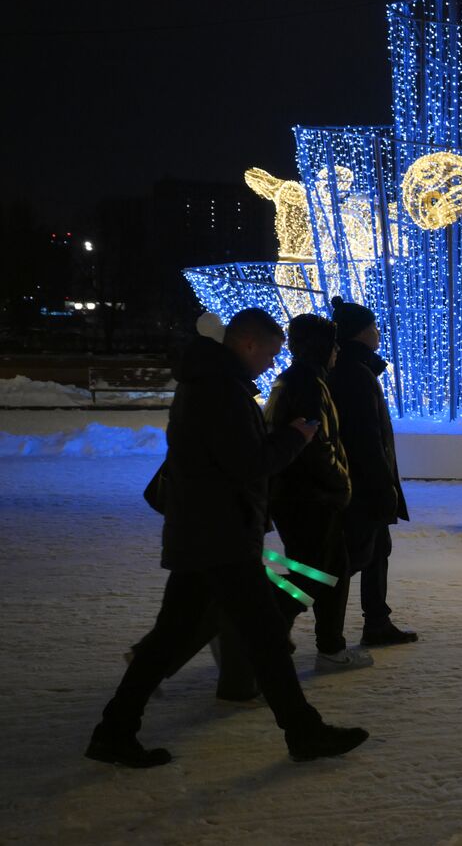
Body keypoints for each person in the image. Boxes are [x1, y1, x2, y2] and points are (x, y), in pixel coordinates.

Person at [86, 308, 369, 768]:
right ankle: (303, 732)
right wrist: (296, 437)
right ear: (248, 344)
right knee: (265, 638)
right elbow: (248, 463)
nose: (271, 364)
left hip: (206, 533)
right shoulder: (220, 390)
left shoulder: (210, 382)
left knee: (172, 638)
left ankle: (114, 730)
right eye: (271, 353)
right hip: (221, 535)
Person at [265, 314, 372, 671]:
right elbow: (317, 444)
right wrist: (340, 483)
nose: (338, 351)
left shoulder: (295, 379)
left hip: (298, 496)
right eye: (334, 344)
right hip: (309, 498)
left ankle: (329, 645)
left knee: (331, 569)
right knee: (314, 573)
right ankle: (261, 630)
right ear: (322, 347)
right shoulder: (309, 383)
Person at [327, 297, 418, 647]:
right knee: (354, 556)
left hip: (359, 483)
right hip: (363, 486)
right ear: (363, 333)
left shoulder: (349, 369)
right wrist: (383, 485)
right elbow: (367, 438)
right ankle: (289, 609)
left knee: (375, 550)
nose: (378, 333)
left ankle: (377, 621)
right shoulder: (357, 374)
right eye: (374, 328)